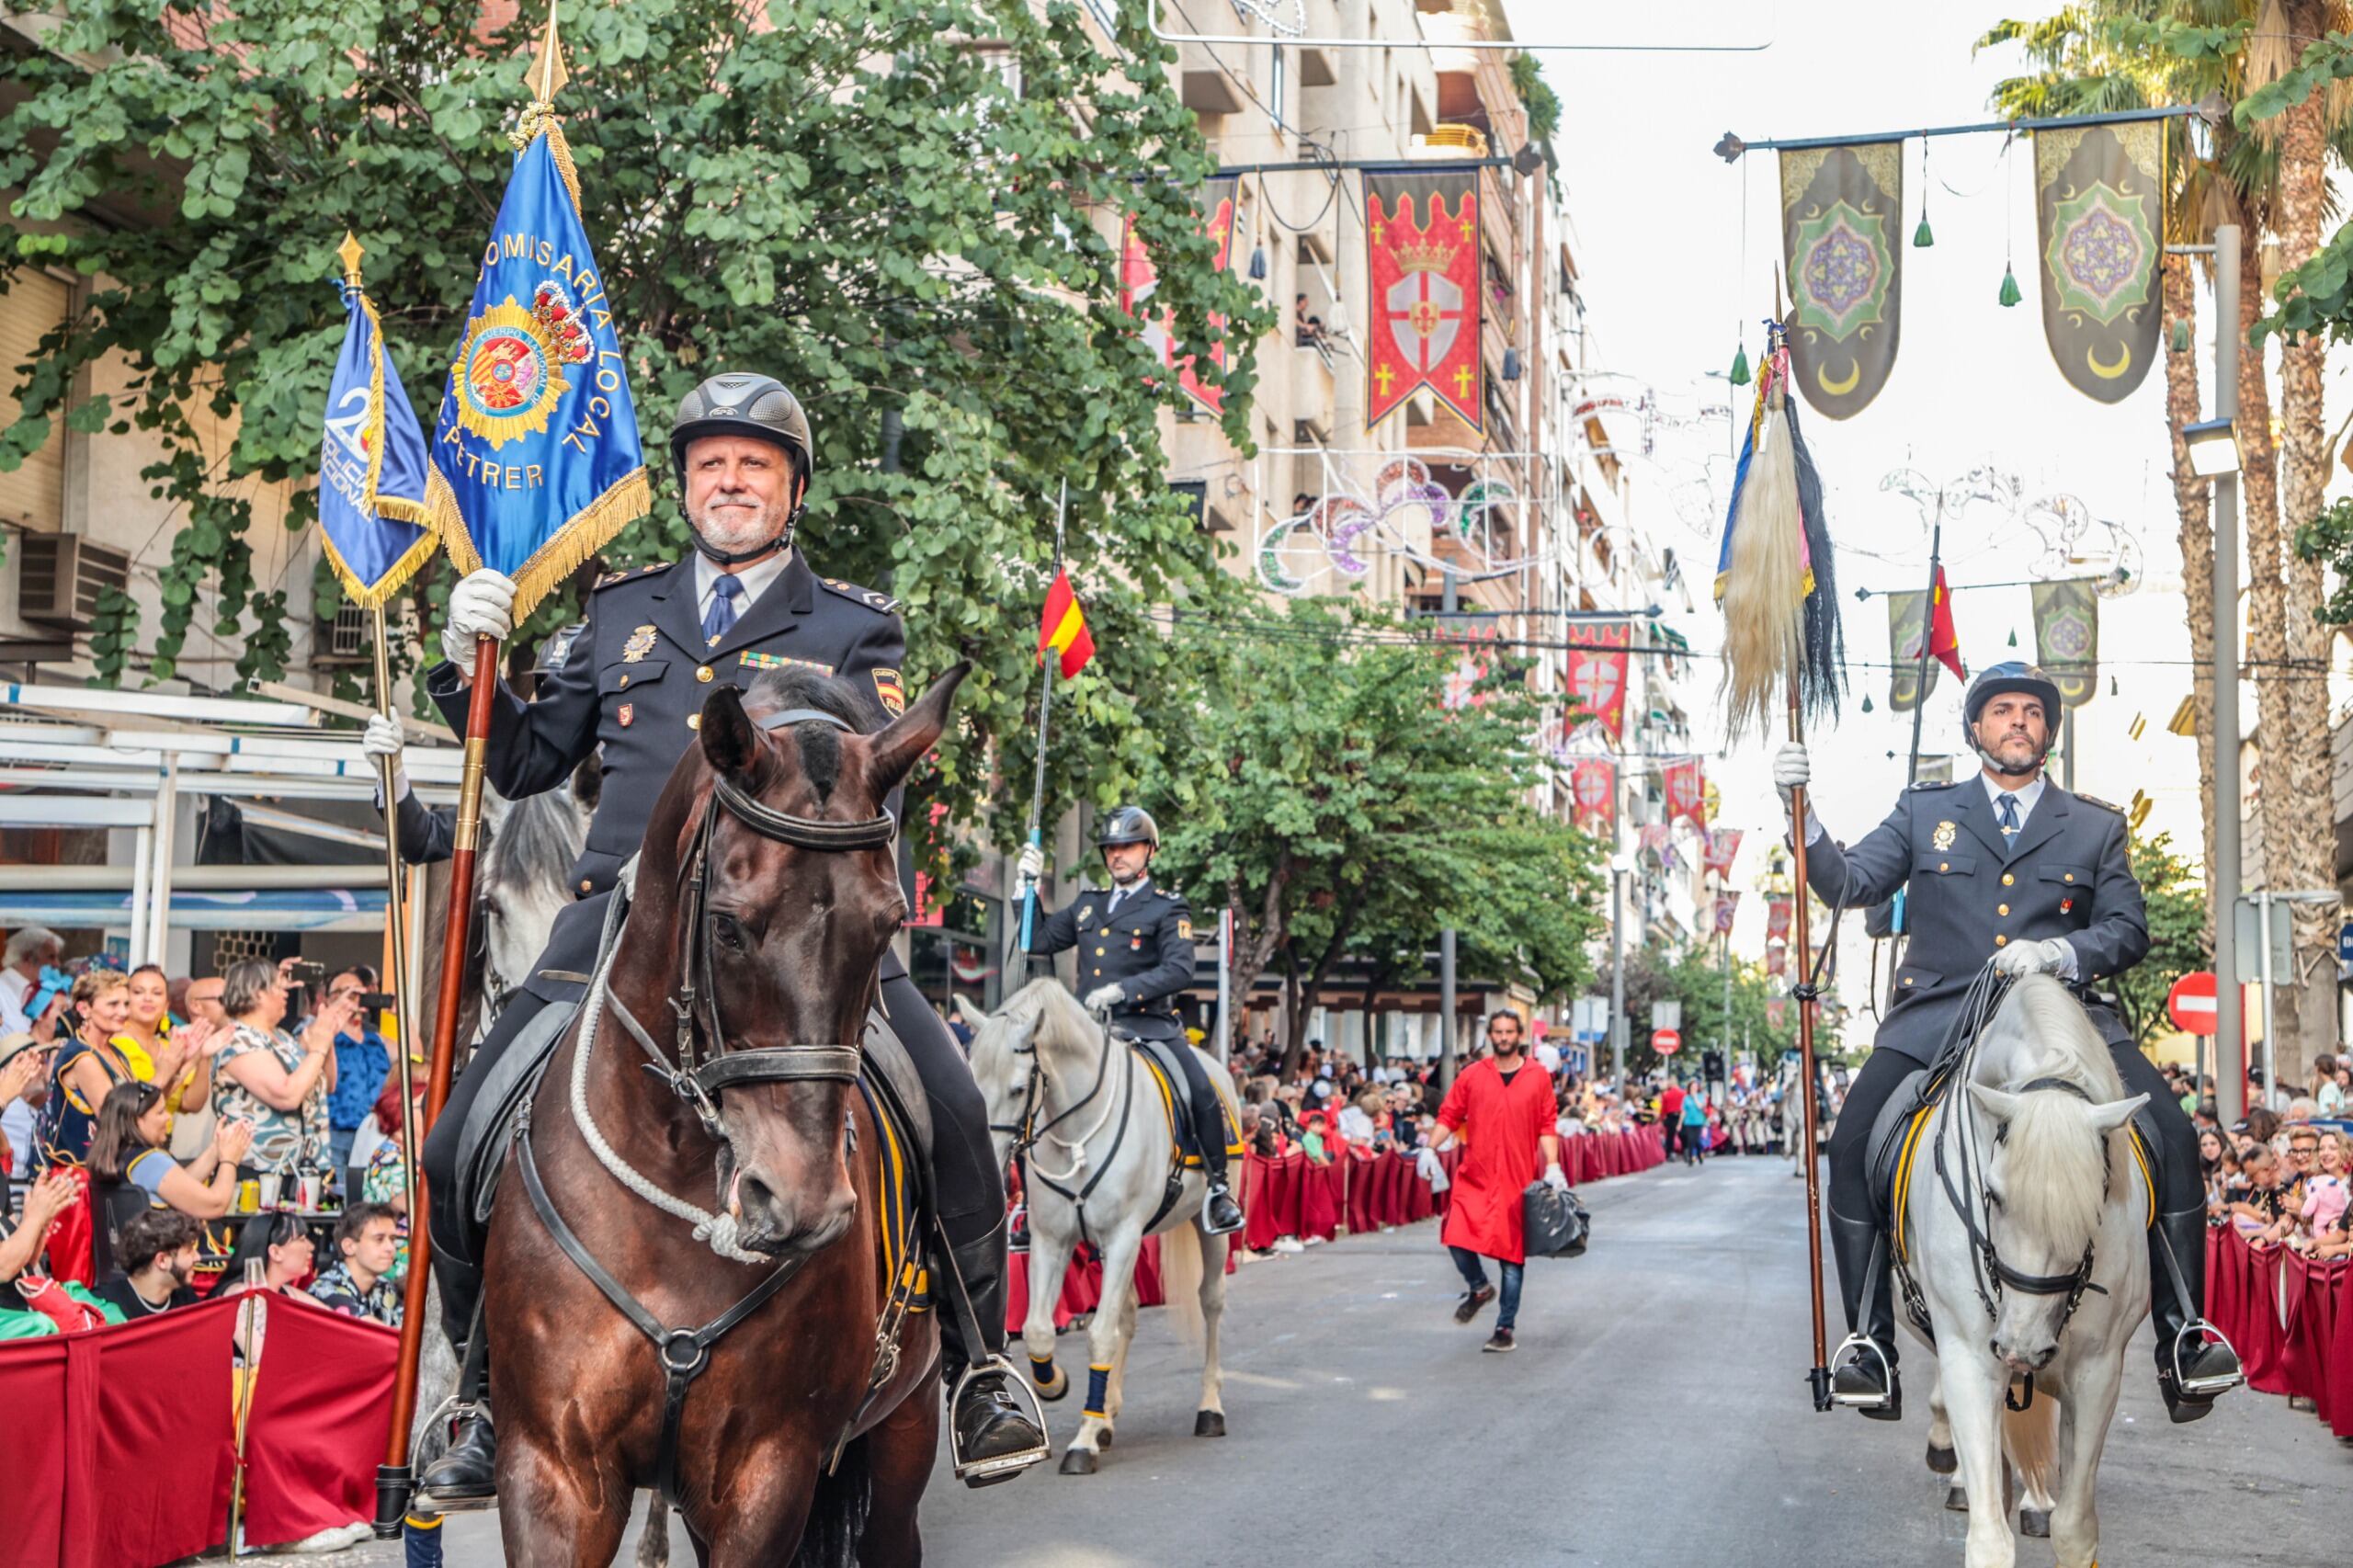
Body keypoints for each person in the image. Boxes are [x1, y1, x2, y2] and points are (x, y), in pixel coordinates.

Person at [413, 371, 1042, 1497]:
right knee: (459, 1133)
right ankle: (474, 1387)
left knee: (948, 1108)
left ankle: (981, 1366)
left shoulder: (854, 623)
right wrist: (475, 667)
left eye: (755, 464)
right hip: (620, 916)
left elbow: (870, 765)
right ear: (686, 484)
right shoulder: (618, 609)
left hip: (799, 924)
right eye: (711, 462)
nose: (730, 481)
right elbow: (519, 761)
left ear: (792, 490)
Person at [1774, 662, 2239, 1422]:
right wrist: (1803, 815)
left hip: (2067, 1014)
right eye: (2001, 711)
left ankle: (2183, 1334)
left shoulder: (2094, 824)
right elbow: (1849, 883)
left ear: (2049, 732)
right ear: (1976, 729)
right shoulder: (1926, 812)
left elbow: (2128, 930)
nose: (2017, 721)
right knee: (1853, 1142)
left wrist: (2060, 954)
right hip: (1939, 1016)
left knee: (2176, 1139)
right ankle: (1871, 1344)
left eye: (2031, 712)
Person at [1014, 806, 1242, 1234]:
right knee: (1028, 1089)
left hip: (1147, 1025)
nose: (1118, 855)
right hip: (1089, 1030)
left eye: (1128, 847)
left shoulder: (1167, 908)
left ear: (1149, 851)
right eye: (1111, 848)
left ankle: (1217, 1187)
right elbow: (1038, 940)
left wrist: (1124, 990)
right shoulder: (1088, 905)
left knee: (1198, 1087)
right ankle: (1034, 1201)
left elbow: (1179, 970)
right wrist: (1025, 889)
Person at [1418, 1012, 1569, 1354]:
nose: (1503, 1037)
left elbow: (1547, 1124)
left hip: (1517, 1179)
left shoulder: (1537, 1077)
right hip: (1476, 1174)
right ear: (1490, 1035)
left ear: (1519, 1035)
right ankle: (1479, 1287)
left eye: (1509, 1032)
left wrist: (1554, 1166)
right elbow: (1449, 1114)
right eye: (1498, 1032)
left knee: (1511, 1256)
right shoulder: (1472, 1075)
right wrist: (1429, 1148)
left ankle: (1505, 1328)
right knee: (1456, 1236)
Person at [211, 959, 347, 1179]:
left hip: (305, 1169)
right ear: (256, 993)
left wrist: (326, 1034)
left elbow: (328, 1084)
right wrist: (318, 1049)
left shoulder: (283, 1038)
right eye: (278, 987)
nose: (286, 993)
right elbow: (286, 1096)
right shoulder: (238, 1040)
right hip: (260, 1173)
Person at [87, 1080, 252, 1221]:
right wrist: (229, 1160)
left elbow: (180, 1186)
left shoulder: (119, 1156)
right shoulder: (151, 1162)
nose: (169, 1117)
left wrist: (216, 1148)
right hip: (171, 1256)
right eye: (160, 1112)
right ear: (137, 1121)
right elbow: (215, 1206)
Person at [37, 970, 140, 1170]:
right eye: (113, 1004)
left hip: (104, 1169)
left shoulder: (115, 1052)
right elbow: (117, 1121)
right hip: (80, 1178)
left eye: (126, 1004)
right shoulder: (83, 1058)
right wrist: (166, 1070)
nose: (124, 1012)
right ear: (84, 1009)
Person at [318, 967, 390, 1171]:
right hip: (337, 1133)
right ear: (331, 998)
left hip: (373, 1132)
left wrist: (397, 1012)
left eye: (359, 992)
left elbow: (415, 1056)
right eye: (346, 992)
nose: (354, 998)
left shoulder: (375, 1039)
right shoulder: (322, 1033)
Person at [96, 1209, 204, 1318]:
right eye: (189, 1251)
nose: (198, 1257)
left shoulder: (185, 1297)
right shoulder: (103, 1306)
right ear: (161, 1261)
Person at [312, 1201, 404, 1325]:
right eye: (379, 1239)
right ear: (349, 1247)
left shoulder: (384, 1286)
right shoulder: (325, 1289)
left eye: (392, 1239)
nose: (390, 1248)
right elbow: (372, 1333)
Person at [0, 927, 62, 1035]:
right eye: (51, 957)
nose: (57, 964)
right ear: (27, 958)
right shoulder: (2, 991)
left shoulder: (46, 991)